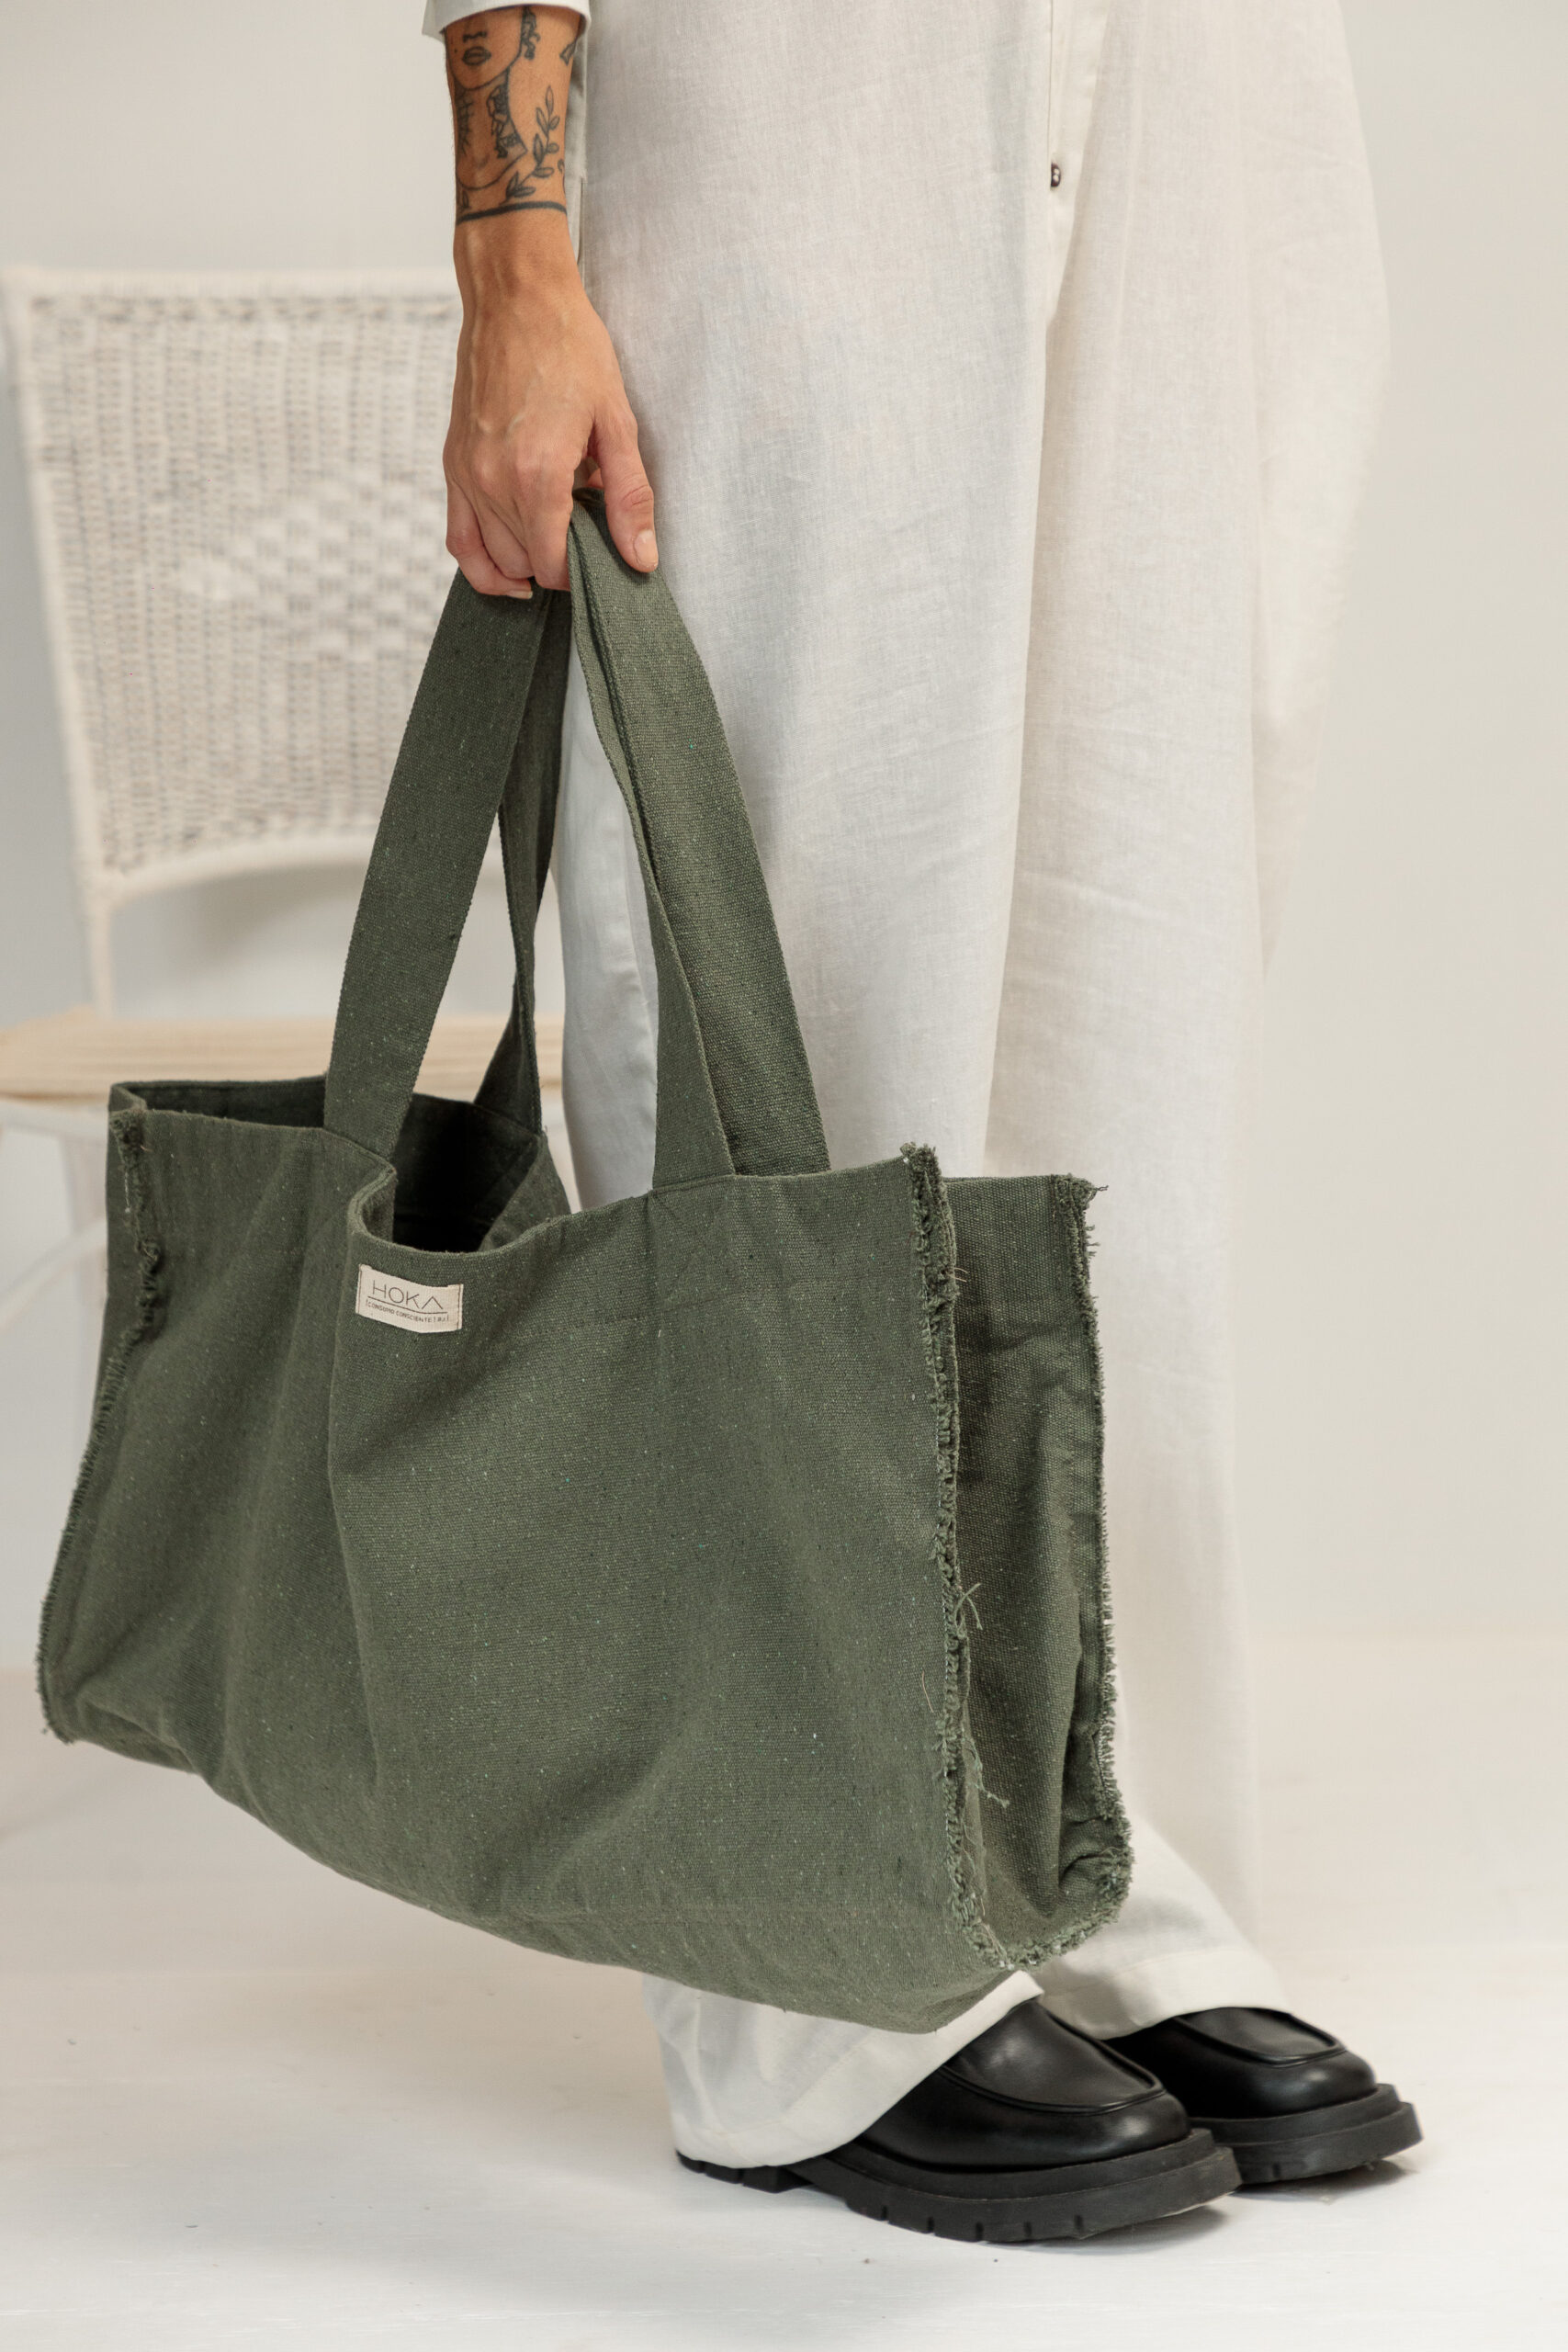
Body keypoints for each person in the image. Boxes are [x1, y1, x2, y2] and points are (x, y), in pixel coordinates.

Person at [425, 0, 1419, 2240]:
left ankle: (1091, 1866)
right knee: (800, 998)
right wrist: (513, 251)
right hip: (807, 99)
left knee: (1123, 1053)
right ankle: (806, 1977)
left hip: (1197, 100)